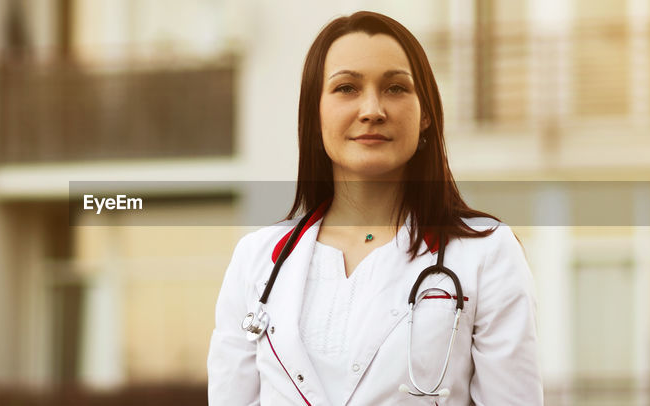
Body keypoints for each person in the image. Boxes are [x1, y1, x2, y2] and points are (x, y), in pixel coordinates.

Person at [207, 11, 543, 405]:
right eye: (347, 88)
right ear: (314, 117)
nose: (372, 109)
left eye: (396, 88)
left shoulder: (487, 253)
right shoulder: (256, 261)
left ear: (427, 116)